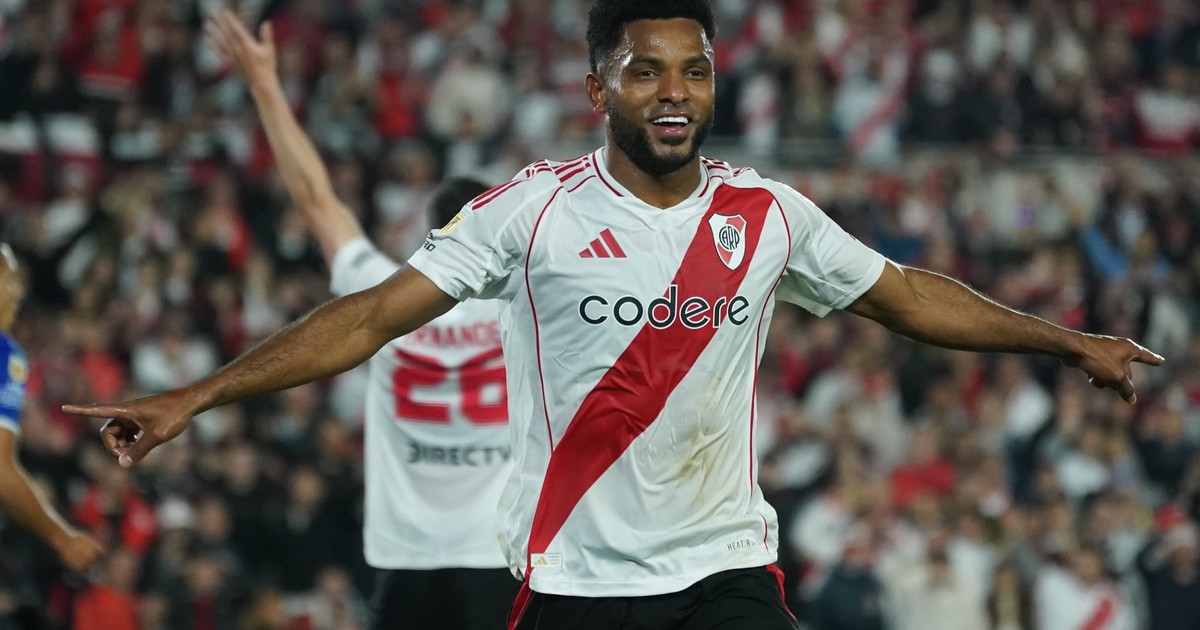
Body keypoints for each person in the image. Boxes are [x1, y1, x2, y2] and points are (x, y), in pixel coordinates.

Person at [67, 1, 1163, 629]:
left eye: (695, 70)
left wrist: (1069, 343)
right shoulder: (529, 211)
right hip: (574, 581)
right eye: (646, 72)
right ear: (599, 89)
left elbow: (911, 297)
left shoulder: (768, 214)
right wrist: (197, 397)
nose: (675, 91)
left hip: (722, 567)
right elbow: (367, 318)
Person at [203, 14, 518, 630]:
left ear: (434, 233)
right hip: (499, 554)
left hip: (406, 556)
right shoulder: (525, 301)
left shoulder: (382, 292)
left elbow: (315, 198)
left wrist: (265, 86)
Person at [0, 243, 103, 573]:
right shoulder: (5, 357)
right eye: (9, 281)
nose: (18, 293)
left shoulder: (8, 354)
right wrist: (62, 538)